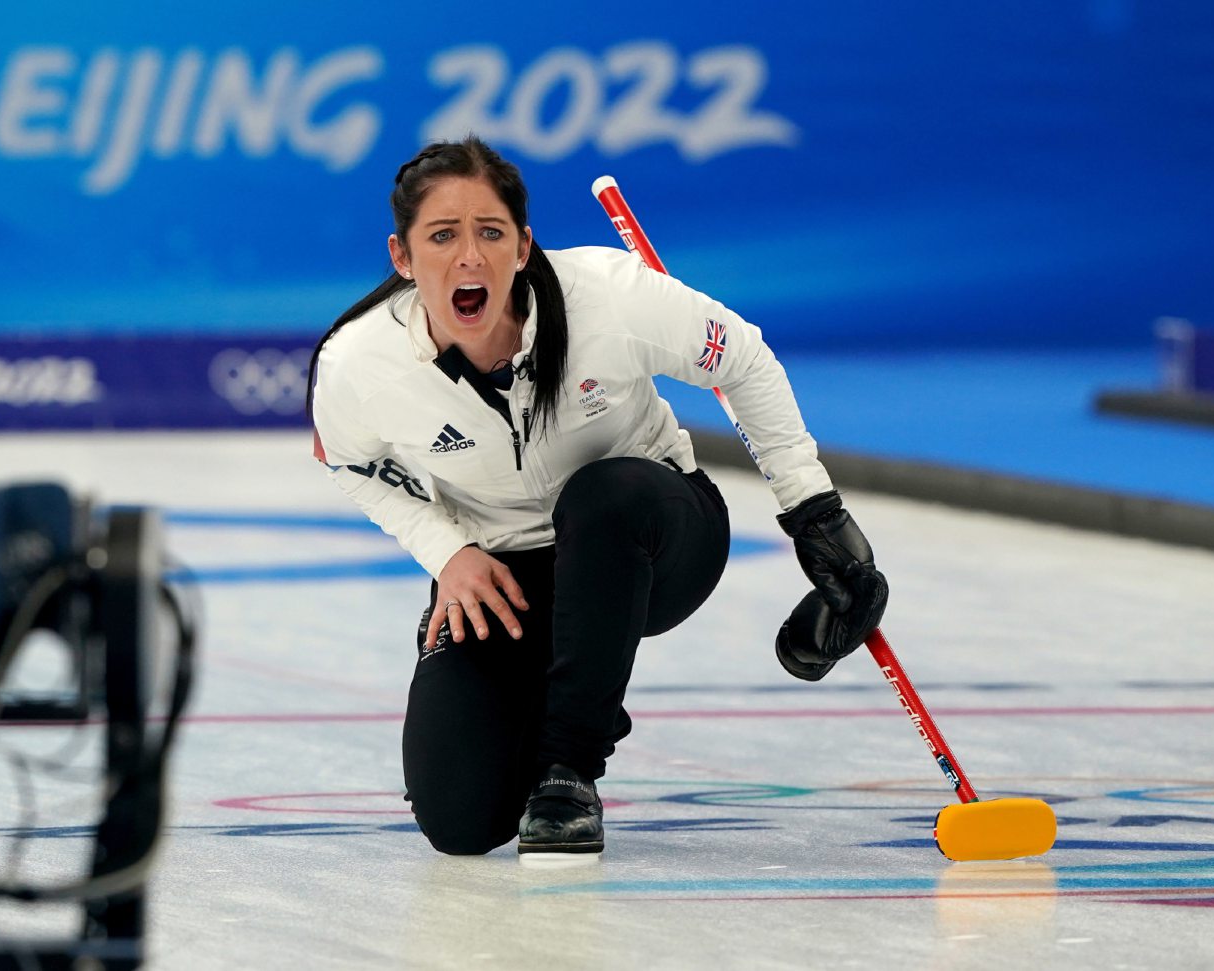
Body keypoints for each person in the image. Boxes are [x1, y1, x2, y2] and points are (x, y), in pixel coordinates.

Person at [307, 136, 887, 858]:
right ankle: (551, 695)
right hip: (510, 573)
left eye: (490, 233)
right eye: (442, 236)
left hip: (654, 536)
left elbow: (744, 357)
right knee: (459, 823)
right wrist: (447, 551)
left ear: (523, 248)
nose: (468, 257)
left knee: (600, 495)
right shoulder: (358, 362)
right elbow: (349, 463)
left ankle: (569, 774)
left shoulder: (608, 296)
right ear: (401, 256)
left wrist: (814, 511)